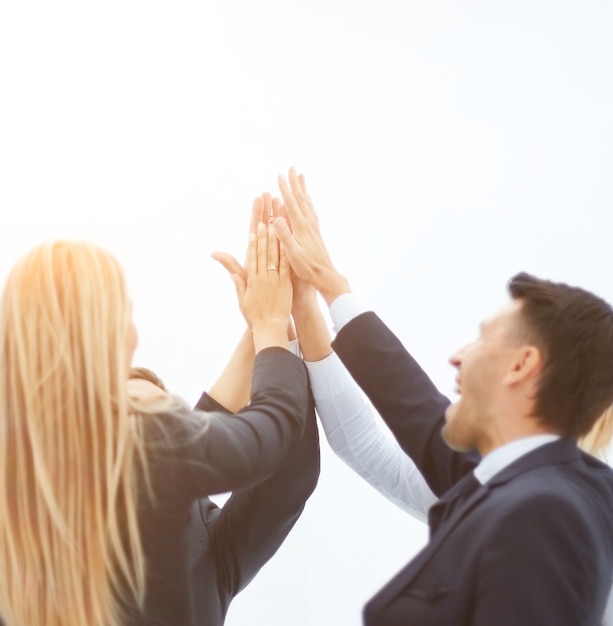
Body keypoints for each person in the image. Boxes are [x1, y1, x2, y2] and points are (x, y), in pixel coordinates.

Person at [271, 167, 613, 626]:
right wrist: (318, 298)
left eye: (482, 337)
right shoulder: (536, 486)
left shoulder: (540, 514)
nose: (457, 356)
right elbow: (407, 416)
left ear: (521, 365)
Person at [0, 214, 310, 626]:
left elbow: (192, 440)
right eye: (124, 312)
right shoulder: (145, 445)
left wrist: (261, 323)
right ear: (101, 330)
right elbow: (270, 428)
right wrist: (271, 325)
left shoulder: (23, 472)